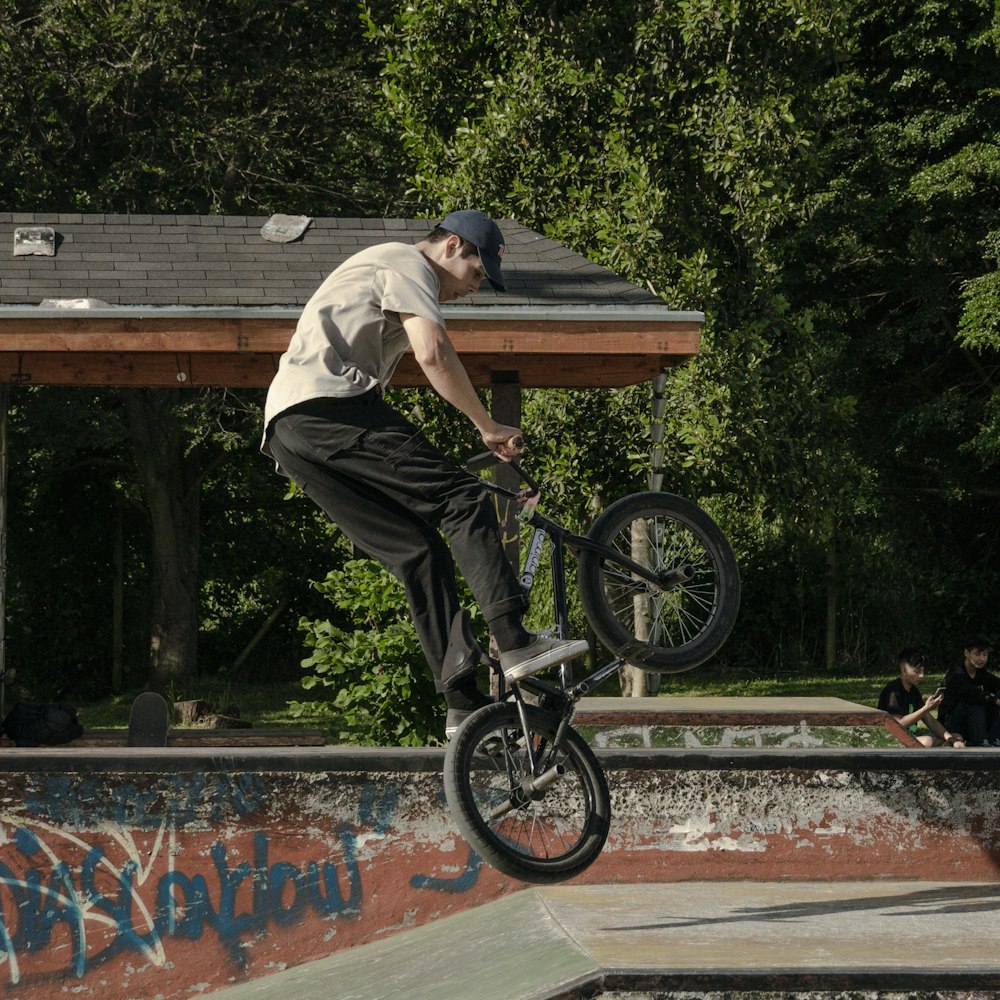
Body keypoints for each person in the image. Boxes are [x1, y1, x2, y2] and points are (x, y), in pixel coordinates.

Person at [261, 210, 588, 737]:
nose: (474, 290)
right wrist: (486, 425)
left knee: (418, 551)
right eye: (477, 275)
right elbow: (433, 352)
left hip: (290, 435)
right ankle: (513, 640)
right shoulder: (405, 261)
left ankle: (462, 703)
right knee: (462, 500)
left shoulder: (379, 275)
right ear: (452, 247)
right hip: (329, 409)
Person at [877, 647, 964, 747]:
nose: (922, 675)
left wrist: (951, 739)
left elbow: (930, 721)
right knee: (927, 741)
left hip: (910, 736)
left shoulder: (914, 691)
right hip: (890, 738)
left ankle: (944, 746)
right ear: (903, 670)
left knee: (957, 737)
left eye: (923, 671)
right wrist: (926, 708)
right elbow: (898, 725)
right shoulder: (893, 690)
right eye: (917, 671)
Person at [938, 635, 1000, 747]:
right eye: (977, 654)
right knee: (974, 702)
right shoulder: (956, 673)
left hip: (974, 721)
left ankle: (994, 738)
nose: (981, 659)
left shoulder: (981, 673)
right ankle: (980, 741)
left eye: (985, 655)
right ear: (966, 653)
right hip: (951, 722)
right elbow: (971, 694)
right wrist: (995, 700)